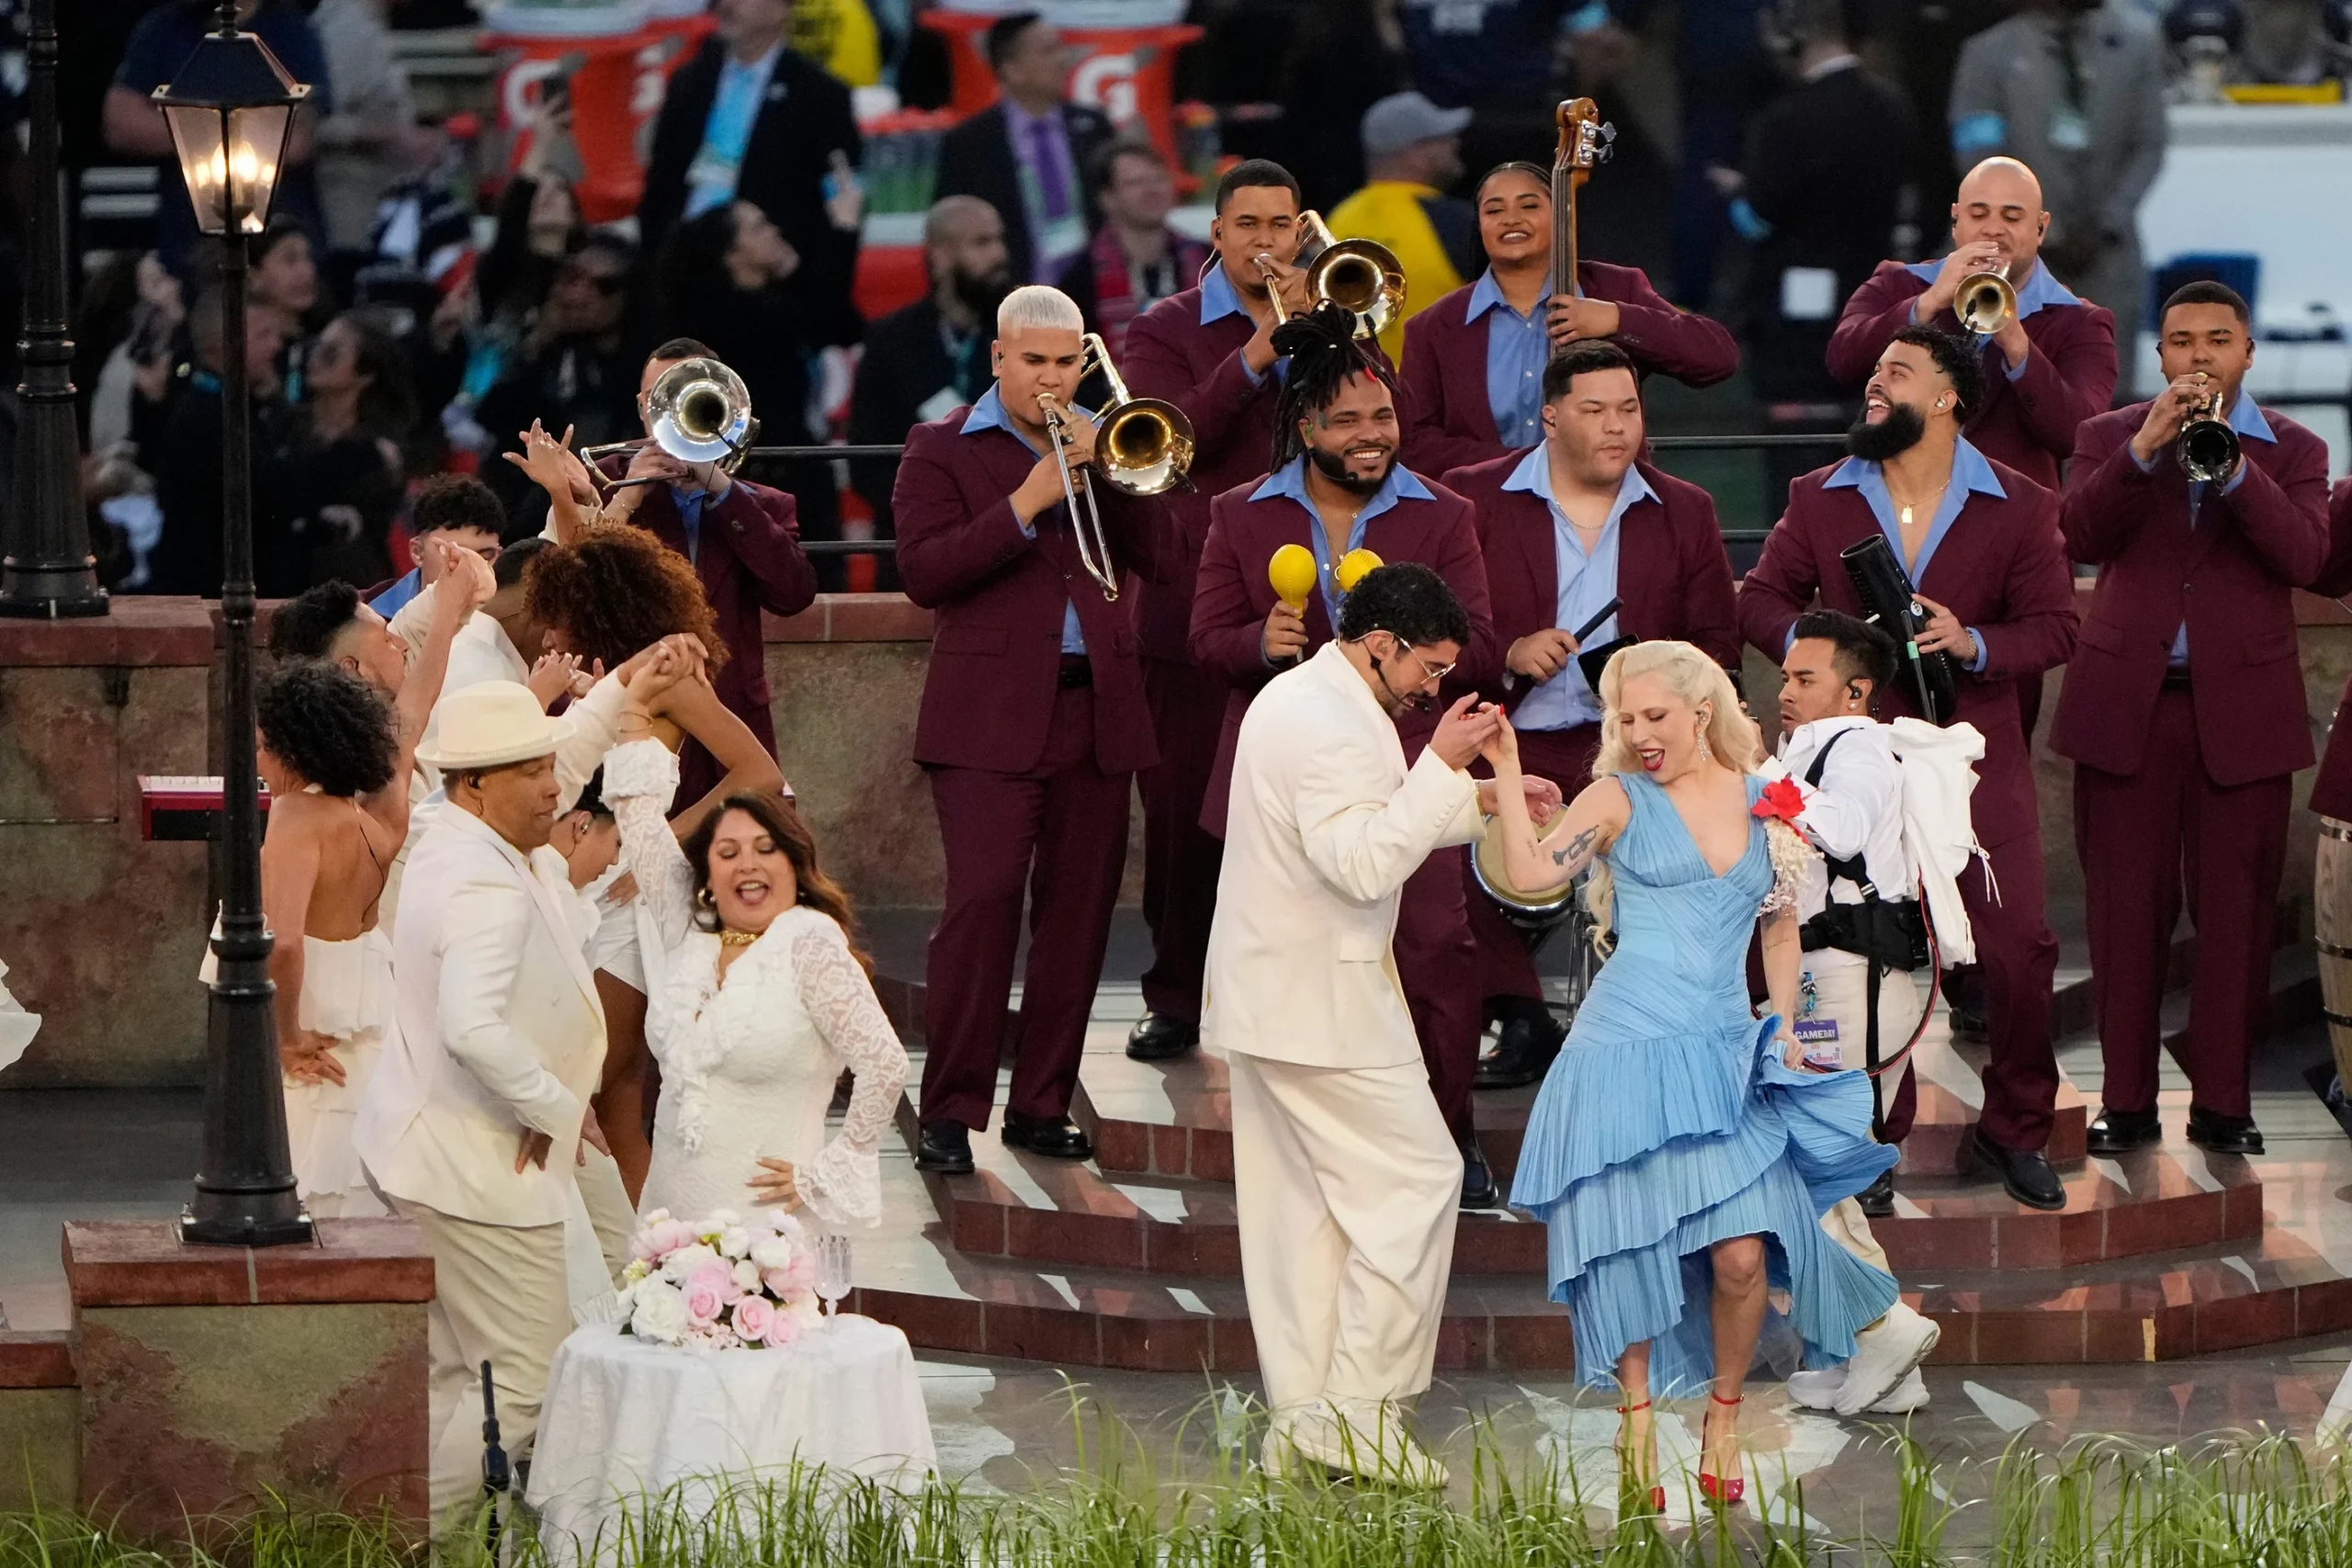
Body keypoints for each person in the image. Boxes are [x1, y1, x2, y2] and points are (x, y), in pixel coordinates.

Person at [1489, 640, 1901, 1506]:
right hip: (1622, 1052)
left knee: (1744, 1257)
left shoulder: (1768, 800)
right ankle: (1636, 1415)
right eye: (1624, 719)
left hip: (1720, 1052)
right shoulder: (1616, 798)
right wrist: (1507, 769)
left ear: (1701, 712)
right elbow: (1529, 875)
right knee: (1629, 1244)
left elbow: (1781, 928)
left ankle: (1722, 1412)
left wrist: (1783, 1026)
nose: (1638, 734)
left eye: (1654, 717)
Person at [1738, 325, 2078, 1213]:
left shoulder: (2021, 501)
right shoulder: (1820, 494)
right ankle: (1867, 1145)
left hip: (1972, 758)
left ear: (1949, 396)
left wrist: (1975, 639)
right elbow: (1762, 599)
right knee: (1848, 948)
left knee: (2017, 946)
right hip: (1849, 754)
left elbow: (2058, 627)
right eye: (1873, 373)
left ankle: (2017, 1128)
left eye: (1897, 371)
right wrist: (1823, 659)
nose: (1874, 385)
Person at [1189, 303, 1503, 1206]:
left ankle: (1449, 1140)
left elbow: (1477, 642)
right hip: (1289, 784)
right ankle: (1302, 1157)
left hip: (1414, 771)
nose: (1373, 438)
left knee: (1436, 956)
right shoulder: (1239, 515)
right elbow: (1202, 639)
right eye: (1349, 421)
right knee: (1300, 962)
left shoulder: (1444, 514)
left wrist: (1399, 650)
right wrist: (1261, 642)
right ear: (1305, 428)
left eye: (1384, 419)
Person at [1211, 563, 1502, 1486]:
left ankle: (1303, 1424)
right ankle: (1358, 1417)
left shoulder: (1318, 700)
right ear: (1383, 643)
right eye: (1430, 667)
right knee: (1421, 1178)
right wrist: (1446, 766)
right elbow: (1362, 863)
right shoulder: (1326, 720)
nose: (1436, 687)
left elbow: (1372, 820)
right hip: (1320, 1004)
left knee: (1307, 1222)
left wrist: (1482, 804)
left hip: (1283, 998)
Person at [891, 284, 1174, 1175]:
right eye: (1036, 363)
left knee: (1078, 916)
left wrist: (1113, 474)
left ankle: (1041, 1103)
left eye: (1067, 363)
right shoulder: (939, 448)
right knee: (979, 908)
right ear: (998, 360)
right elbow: (925, 572)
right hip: (986, 721)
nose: (1052, 381)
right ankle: (949, 1107)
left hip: (1095, 710)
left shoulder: (1103, 434)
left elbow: (1163, 557)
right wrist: (1025, 500)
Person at [2050, 281, 2332, 1157]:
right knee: (2124, 919)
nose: (2200, 355)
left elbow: (2307, 556)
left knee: (2238, 923)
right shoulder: (2108, 438)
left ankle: (2224, 1105)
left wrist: (2237, 470)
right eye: (2181, 341)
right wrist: (2144, 450)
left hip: (2241, 716)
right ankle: (2126, 1103)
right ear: (2160, 355)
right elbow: (2077, 534)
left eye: (2218, 339)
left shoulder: (2295, 449)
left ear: (2247, 352)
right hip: (2127, 710)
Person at [354, 680, 635, 1521]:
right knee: (526, 1381)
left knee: (459, 1374)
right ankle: (420, 1542)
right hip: (474, 1168)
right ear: (476, 783)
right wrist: (553, 1105)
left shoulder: (460, 837)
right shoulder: (484, 883)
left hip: (434, 1154)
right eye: (535, 771)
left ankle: (456, 1543)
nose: (558, 786)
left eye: (554, 764)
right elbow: (472, 1028)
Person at [1440, 340, 1739, 1089]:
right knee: (1443, 837)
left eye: (1629, 410)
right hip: (1504, 733)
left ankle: (1634, 1018)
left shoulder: (1684, 511)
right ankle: (1521, 1012)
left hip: (1634, 747)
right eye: (1596, 410)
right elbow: (1438, 643)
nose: (1618, 428)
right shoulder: (1470, 499)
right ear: (1549, 417)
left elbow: (1716, 651)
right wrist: (1508, 653)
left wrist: (1658, 699)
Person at [1115, 159, 1318, 1064]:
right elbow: (1167, 444)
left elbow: (1372, 419)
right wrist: (1255, 355)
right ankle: (1176, 994)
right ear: (1218, 235)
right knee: (1183, 815)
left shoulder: (1327, 314)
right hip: (1191, 601)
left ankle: (1295, 997)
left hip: (1318, 599)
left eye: (1281, 225)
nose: (1266, 244)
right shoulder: (1161, 329)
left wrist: (1325, 335)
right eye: (1249, 226)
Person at [601, 645, 910, 1225]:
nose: (748, 865)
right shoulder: (690, 929)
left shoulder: (810, 944)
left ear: (795, 867)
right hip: (669, 1221)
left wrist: (825, 1175)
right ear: (708, 877)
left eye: (767, 851)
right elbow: (640, 818)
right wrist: (635, 708)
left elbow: (885, 1064)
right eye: (728, 852)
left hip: (767, 1234)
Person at [1764, 610, 1947, 1419]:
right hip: (1821, 978)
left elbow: (1835, 831)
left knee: (1813, 1162)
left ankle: (1882, 1328)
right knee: (1815, 1165)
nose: (1786, 691)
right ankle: (1883, 1363)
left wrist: (1756, 781)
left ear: (1856, 689)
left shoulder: (1861, 747)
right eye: (1786, 676)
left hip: (1851, 984)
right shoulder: (1811, 753)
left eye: (1806, 678)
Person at [1399, 160, 1740, 479]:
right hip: (1489, 520)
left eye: (1529, 206)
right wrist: (1526, 467)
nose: (1511, 219)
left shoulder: (1614, 290)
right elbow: (1414, 445)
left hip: (1612, 514)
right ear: (1480, 225)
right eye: (1494, 210)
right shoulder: (1433, 327)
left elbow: (1716, 357)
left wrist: (1618, 320)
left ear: (1562, 217)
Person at [587, 337, 817, 807]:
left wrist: (720, 487)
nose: (669, 415)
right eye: (659, 401)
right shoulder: (602, 481)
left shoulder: (763, 504)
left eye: (685, 399)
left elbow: (793, 593)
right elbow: (572, 583)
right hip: (631, 715)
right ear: (640, 408)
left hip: (731, 720)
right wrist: (627, 500)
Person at [1827, 156, 2119, 496]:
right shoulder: (1898, 284)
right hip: (1896, 506)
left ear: (2041, 228)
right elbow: (1842, 359)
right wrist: (1927, 304)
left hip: (2010, 523)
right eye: (1979, 215)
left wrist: (2016, 343)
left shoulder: (2081, 322)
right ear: (1955, 220)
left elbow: (2077, 434)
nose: (1993, 229)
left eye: (2012, 217)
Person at [1718, 0, 1916, 498]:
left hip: (1793, 332)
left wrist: (1739, 192)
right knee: (1866, 449)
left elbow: (1756, 218)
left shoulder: (1785, 119)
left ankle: (1796, 563)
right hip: (1873, 308)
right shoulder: (1893, 108)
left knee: (1795, 458)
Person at [652, 201, 854, 586]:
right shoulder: (718, 316)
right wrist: (838, 241)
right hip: (744, 477)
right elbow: (812, 317)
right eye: (758, 227)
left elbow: (844, 326)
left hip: (798, 469)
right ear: (731, 252)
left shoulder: (776, 301)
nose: (774, 232)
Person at [638, 0, 864, 325]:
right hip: (682, 276)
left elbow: (839, 201)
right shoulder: (689, 81)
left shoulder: (820, 95)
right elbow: (660, 186)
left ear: (780, 10)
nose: (725, 4)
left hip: (763, 291)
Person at [1947, 0, 2166, 319]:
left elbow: (2149, 145)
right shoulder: (1988, 54)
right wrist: (2040, 230)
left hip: (2108, 260)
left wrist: (2107, 222)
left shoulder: (2137, 44)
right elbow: (1978, 156)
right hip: (2013, 264)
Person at [848, 196, 1013, 579]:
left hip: (1012, 541)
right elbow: (865, 457)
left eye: (999, 240)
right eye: (981, 243)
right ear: (939, 256)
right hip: (916, 547)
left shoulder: (1024, 337)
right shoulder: (891, 340)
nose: (999, 254)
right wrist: (929, 510)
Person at [105, 0, 330, 276]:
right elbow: (121, 125)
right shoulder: (163, 27)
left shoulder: (290, 30)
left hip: (279, 256)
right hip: (188, 251)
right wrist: (240, 121)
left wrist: (189, 120)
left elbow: (296, 140)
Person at [933, 12, 1116, 287]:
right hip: (1013, 298)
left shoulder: (1092, 126)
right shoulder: (970, 142)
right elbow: (949, 227)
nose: (1063, 60)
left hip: (1095, 295)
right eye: (1048, 51)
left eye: (1061, 48)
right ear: (1012, 70)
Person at [476, 236, 649, 527]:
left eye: (604, 286)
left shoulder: (644, 365)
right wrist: (538, 347)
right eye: (573, 279)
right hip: (527, 513)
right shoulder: (544, 351)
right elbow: (491, 416)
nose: (581, 295)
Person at [144, 288, 290, 598]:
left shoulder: (231, 406)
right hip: (206, 597)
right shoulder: (209, 417)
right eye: (263, 335)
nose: (277, 346)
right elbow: (265, 496)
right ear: (222, 345)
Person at [261, 310, 414, 591]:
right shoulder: (284, 425)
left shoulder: (381, 450)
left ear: (366, 374)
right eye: (314, 348)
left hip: (347, 589)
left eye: (331, 353)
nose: (315, 359)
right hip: (277, 581)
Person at [1325, 91, 1479, 365]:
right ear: (1416, 154)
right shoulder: (1455, 221)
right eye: (1442, 138)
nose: (1454, 143)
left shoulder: (1337, 219)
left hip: (1355, 394)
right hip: (1429, 395)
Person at [1056, 141, 1211, 362]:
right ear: (1107, 198)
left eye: (1159, 179)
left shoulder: (1210, 260)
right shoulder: (1079, 279)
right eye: (1135, 183)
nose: (1152, 190)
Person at [310, 0, 431, 280]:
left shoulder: (367, 24)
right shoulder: (346, 29)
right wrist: (397, 137)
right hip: (350, 225)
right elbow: (312, 124)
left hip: (381, 218)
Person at [370, 473, 506, 619]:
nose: (471, 570)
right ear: (418, 552)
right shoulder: (363, 618)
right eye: (454, 554)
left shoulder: (514, 623)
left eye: (485, 556)